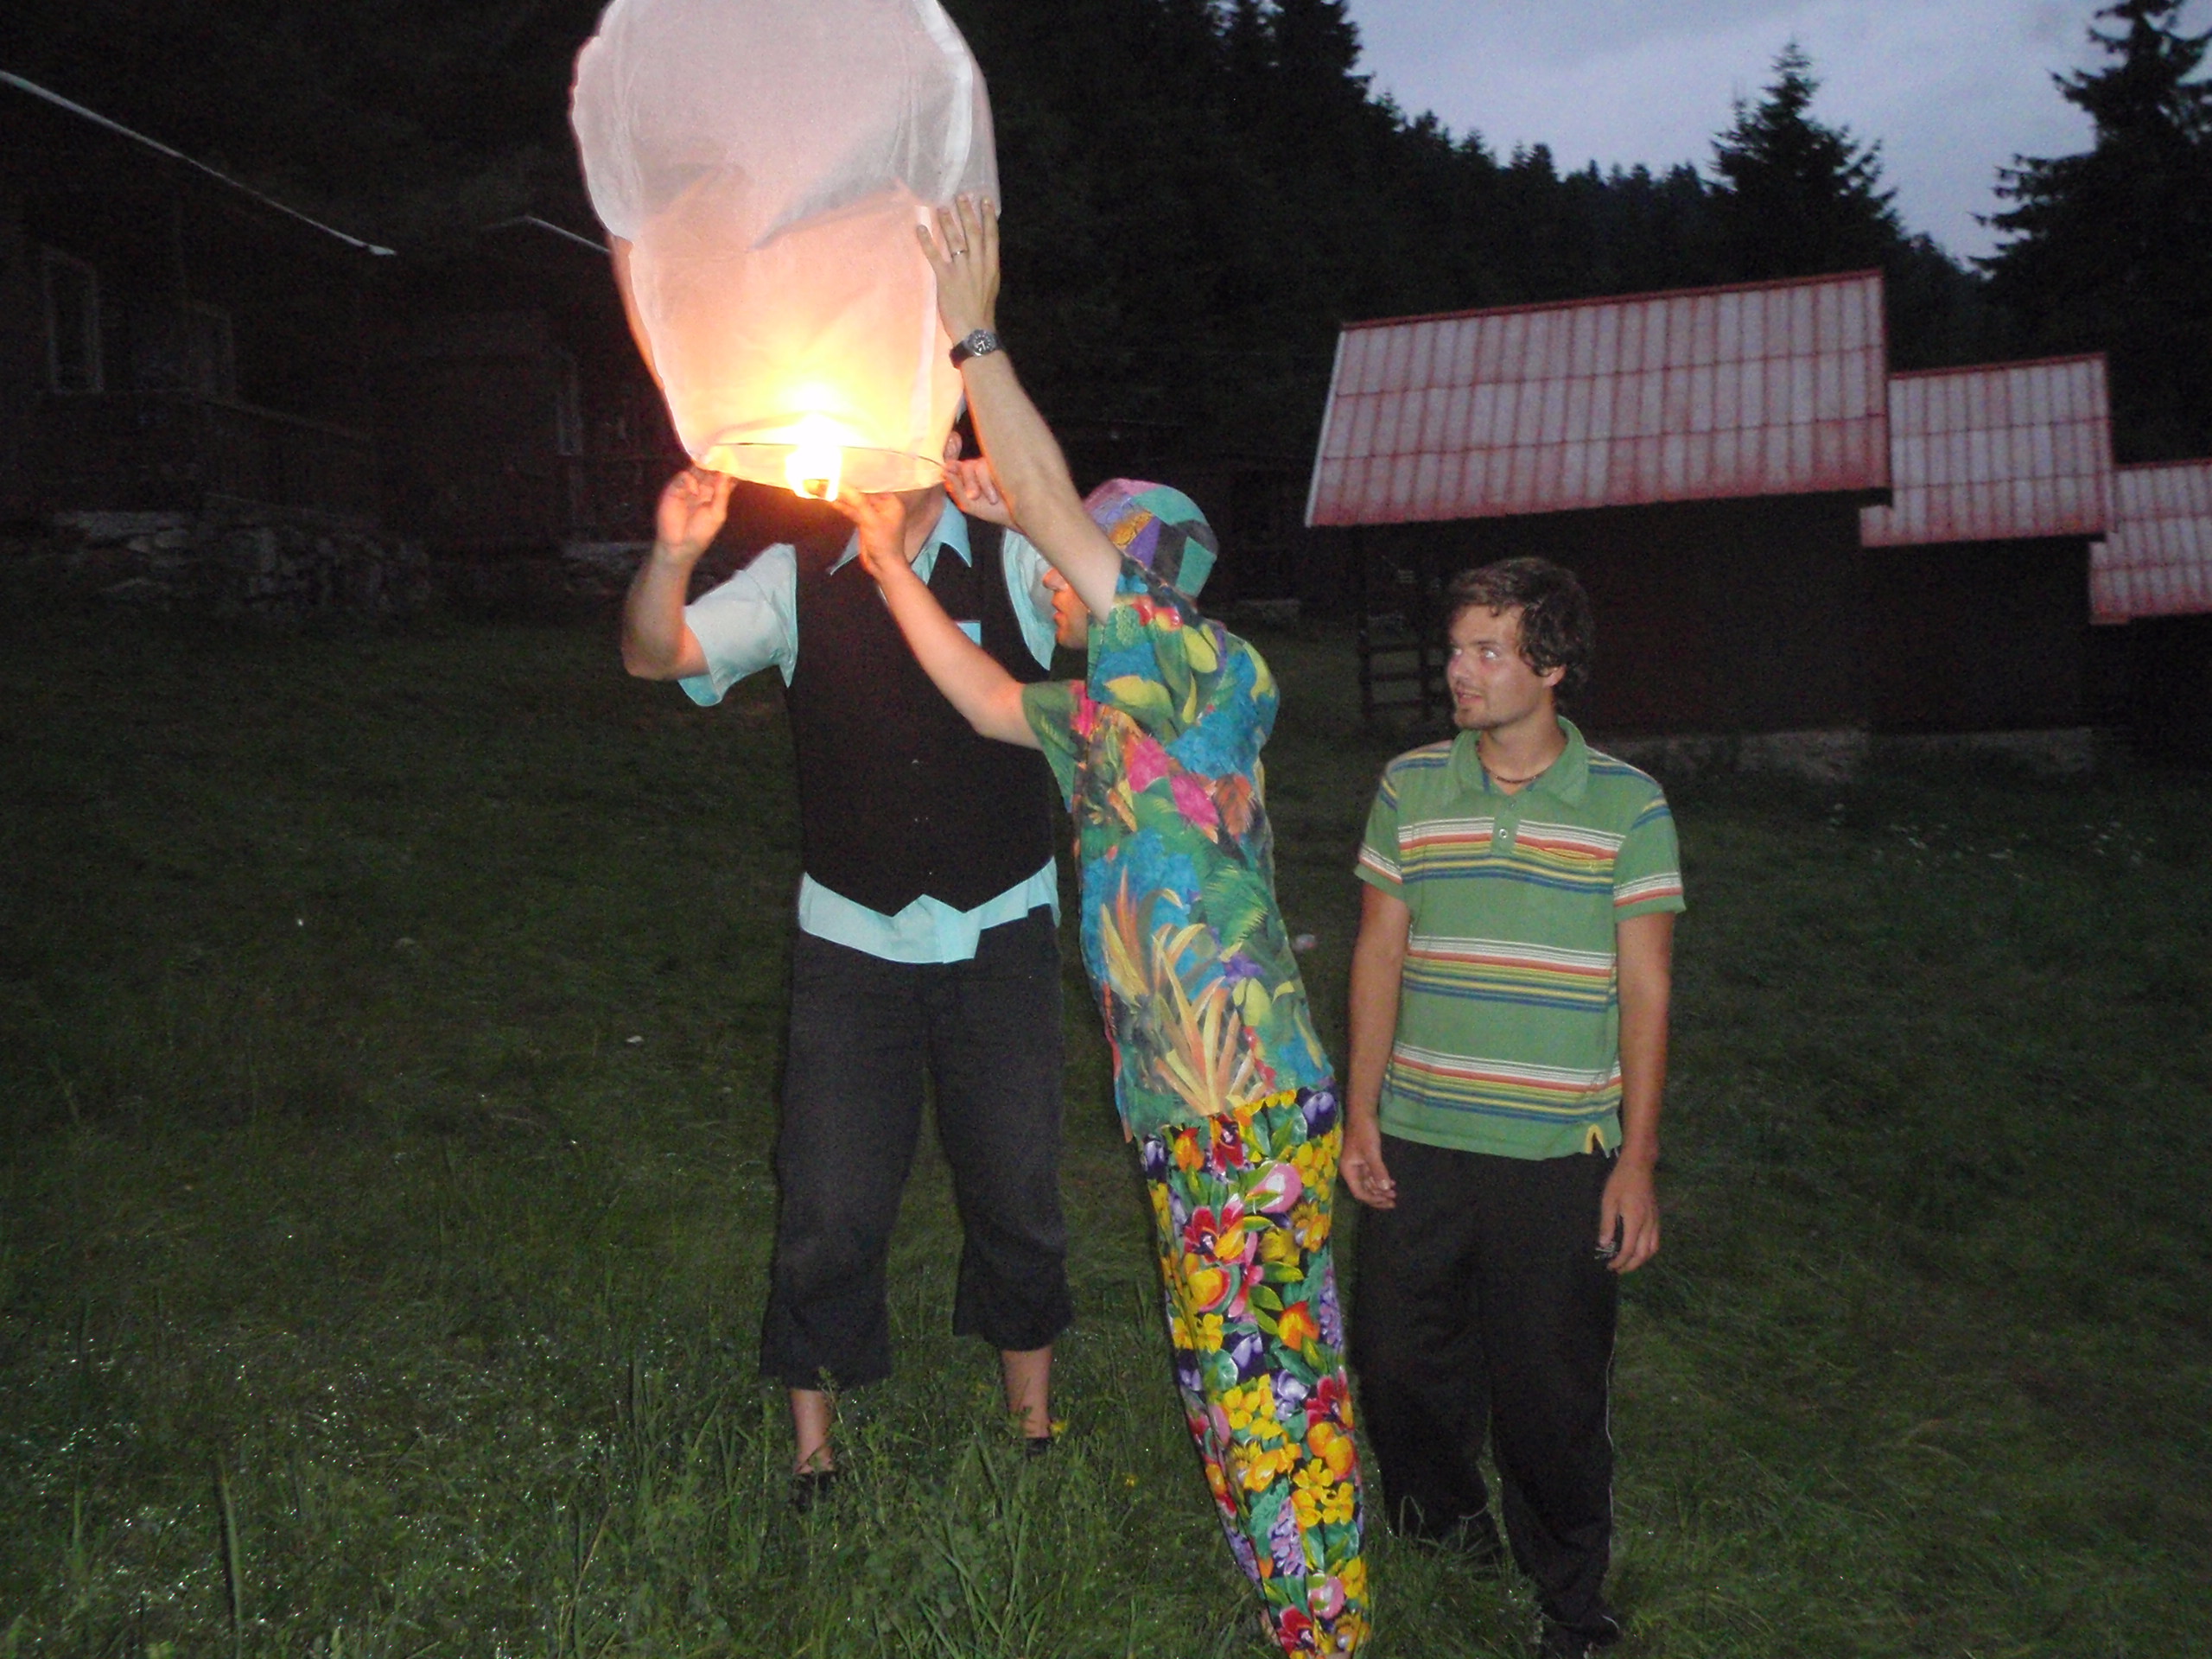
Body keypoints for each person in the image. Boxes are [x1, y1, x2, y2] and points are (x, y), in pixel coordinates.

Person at [842, 194, 1368, 1656]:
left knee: (1274, 1383)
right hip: (1178, 1102)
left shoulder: (1206, 668)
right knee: (1223, 1376)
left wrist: (975, 340)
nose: (1051, 571)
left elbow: (1057, 515)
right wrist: (886, 566)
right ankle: (1288, 1605)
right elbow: (976, 697)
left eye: (1086, 555)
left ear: (1147, 578)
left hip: (1247, 1094)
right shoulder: (1103, 725)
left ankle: (1326, 1634)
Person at [621, 389, 1072, 1503]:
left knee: (1017, 1188)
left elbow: (1096, 627)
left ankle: (1031, 1426)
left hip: (1001, 922)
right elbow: (654, 655)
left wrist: (1027, 515)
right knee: (826, 1201)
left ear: (939, 440)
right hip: (851, 935)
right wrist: (672, 555)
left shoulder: (1010, 554)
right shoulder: (794, 574)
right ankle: (814, 1454)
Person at [1340, 556, 1683, 1659]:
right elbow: (1377, 952)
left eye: (1487, 650)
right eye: (1455, 648)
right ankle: (1449, 1545)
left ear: (1552, 666)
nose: (1459, 670)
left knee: (1549, 1396)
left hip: (1556, 1149)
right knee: (1398, 1369)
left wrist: (1635, 1160)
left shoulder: (1627, 805)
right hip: (1420, 1136)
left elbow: (1646, 987)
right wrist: (1360, 1113)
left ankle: (1570, 1604)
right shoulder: (1410, 786)